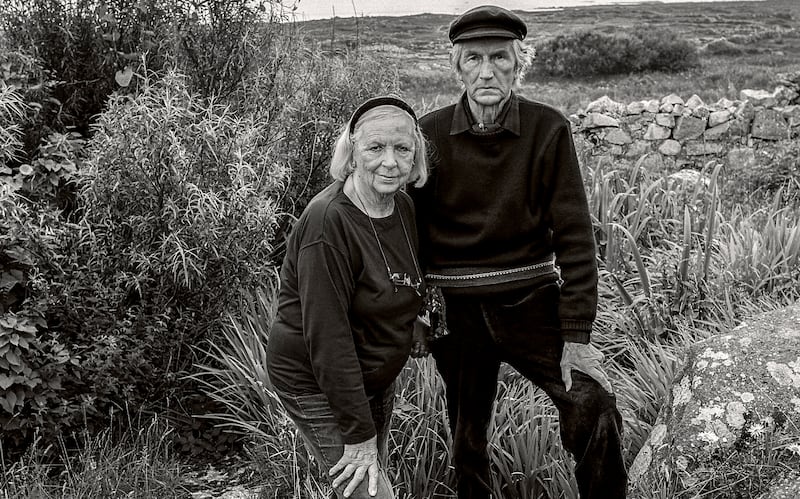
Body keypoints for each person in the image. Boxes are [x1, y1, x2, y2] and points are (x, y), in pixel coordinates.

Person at [409, 5, 627, 498]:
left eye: (499, 57)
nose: (486, 71)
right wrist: (418, 310)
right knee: (466, 433)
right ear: (456, 66)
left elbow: (575, 237)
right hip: (456, 309)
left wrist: (577, 333)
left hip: (530, 302)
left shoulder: (547, 128)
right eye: (473, 59)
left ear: (518, 63)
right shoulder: (429, 133)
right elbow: (411, 236)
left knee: (593, 406)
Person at [265, 96, 429, 498]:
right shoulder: (328, 223)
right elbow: (328, 336)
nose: (390, 161)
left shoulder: (402, 205)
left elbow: (395, 277)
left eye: (402, 148)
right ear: (352, 152)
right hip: (317, 379)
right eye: (375, 148)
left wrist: (414, 320)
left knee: (372, 480)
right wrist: (357, 435)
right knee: (369, 489)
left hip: (372, 372)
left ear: (415, 156)